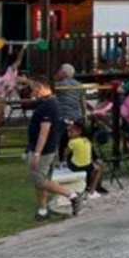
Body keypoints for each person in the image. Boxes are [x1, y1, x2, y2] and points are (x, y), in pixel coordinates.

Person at [27, 78, 84, 221]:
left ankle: (72, 195)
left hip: (44, 149)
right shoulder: (52, 103)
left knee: (39, 180)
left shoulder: (48, 106)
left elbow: (44, 131)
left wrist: (37, 153)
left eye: (33, 89)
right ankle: (42, 209)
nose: (32, 93)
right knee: (43, 180)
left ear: (41, 88)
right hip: (49, 147)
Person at [66, 120, 105, 198]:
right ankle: (92, 191)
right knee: (97, 169)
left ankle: (90, 188)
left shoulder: (72, 141)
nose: (69, 134)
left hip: (76, 165)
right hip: (83, 165)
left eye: (71, 132)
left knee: (96, 167)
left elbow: (65, 154)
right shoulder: (85, 140)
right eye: (69, 131)